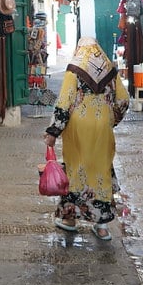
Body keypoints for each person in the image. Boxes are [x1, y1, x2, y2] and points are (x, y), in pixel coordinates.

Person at [44, 37, 130, 240]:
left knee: (75, 170)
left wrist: (53, 132)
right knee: (101, 170)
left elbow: (64, 102)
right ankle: (101, 227)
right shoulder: (110, 69)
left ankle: (69, 220)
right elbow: (124, 100)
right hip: (102, 129)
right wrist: (111, 120)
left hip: (77, 129)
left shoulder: (75, 68)